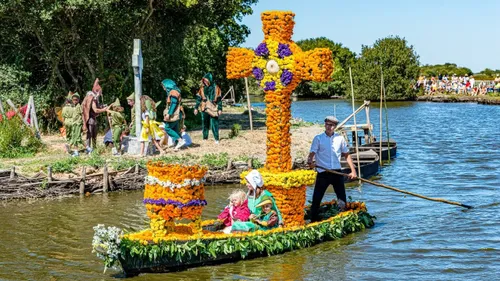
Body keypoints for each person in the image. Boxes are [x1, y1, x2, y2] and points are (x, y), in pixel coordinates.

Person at [307, 116, 357, 222]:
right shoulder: (318, 138)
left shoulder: (340, 139)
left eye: (331, 125)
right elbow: (312, 154)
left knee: (342, 198)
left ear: (335, 127)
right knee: (317, 198)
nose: (329, 127)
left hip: (336, 172)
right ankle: (313, 220)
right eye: (327, 125)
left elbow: (347, 155)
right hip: (323, 172)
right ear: (324, 125)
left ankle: (344, 218)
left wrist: (353, 171)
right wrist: (310, 161)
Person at [82, 78, 109, 153]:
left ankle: (94, 148)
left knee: (94, 134)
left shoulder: (95, 99)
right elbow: (95, 110)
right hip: (90, 119)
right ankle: (88, 148)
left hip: (93, 118)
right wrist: (104, 109)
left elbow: (97, 107)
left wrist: (102, 106)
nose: (101, 93)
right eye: (100, 92)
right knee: (90, 134)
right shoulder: (92, 98)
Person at [194, 73, 222, 144]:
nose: (205, 82)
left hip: (213, 107)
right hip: (204, 107)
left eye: (206, 80)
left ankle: (216, 139)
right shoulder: (202, 89)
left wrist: (220, 109)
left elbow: (219, 99)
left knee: (214, 123)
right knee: (205, 123)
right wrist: (196, 108)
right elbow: (198, 99)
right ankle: (205, 138)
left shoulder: (216, 88)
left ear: (210, 80)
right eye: (204, 81)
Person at [161, 79, 185, 150]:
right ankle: (177, 145)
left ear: (168, 85)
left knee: (167, 128)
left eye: (164, 86)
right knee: (175, 129)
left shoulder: (173, 92)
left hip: (174, 114)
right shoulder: (174, 91)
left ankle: (180, 140)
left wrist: (169, 114)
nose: (163, 88)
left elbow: (173, 104)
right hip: (177, 114)